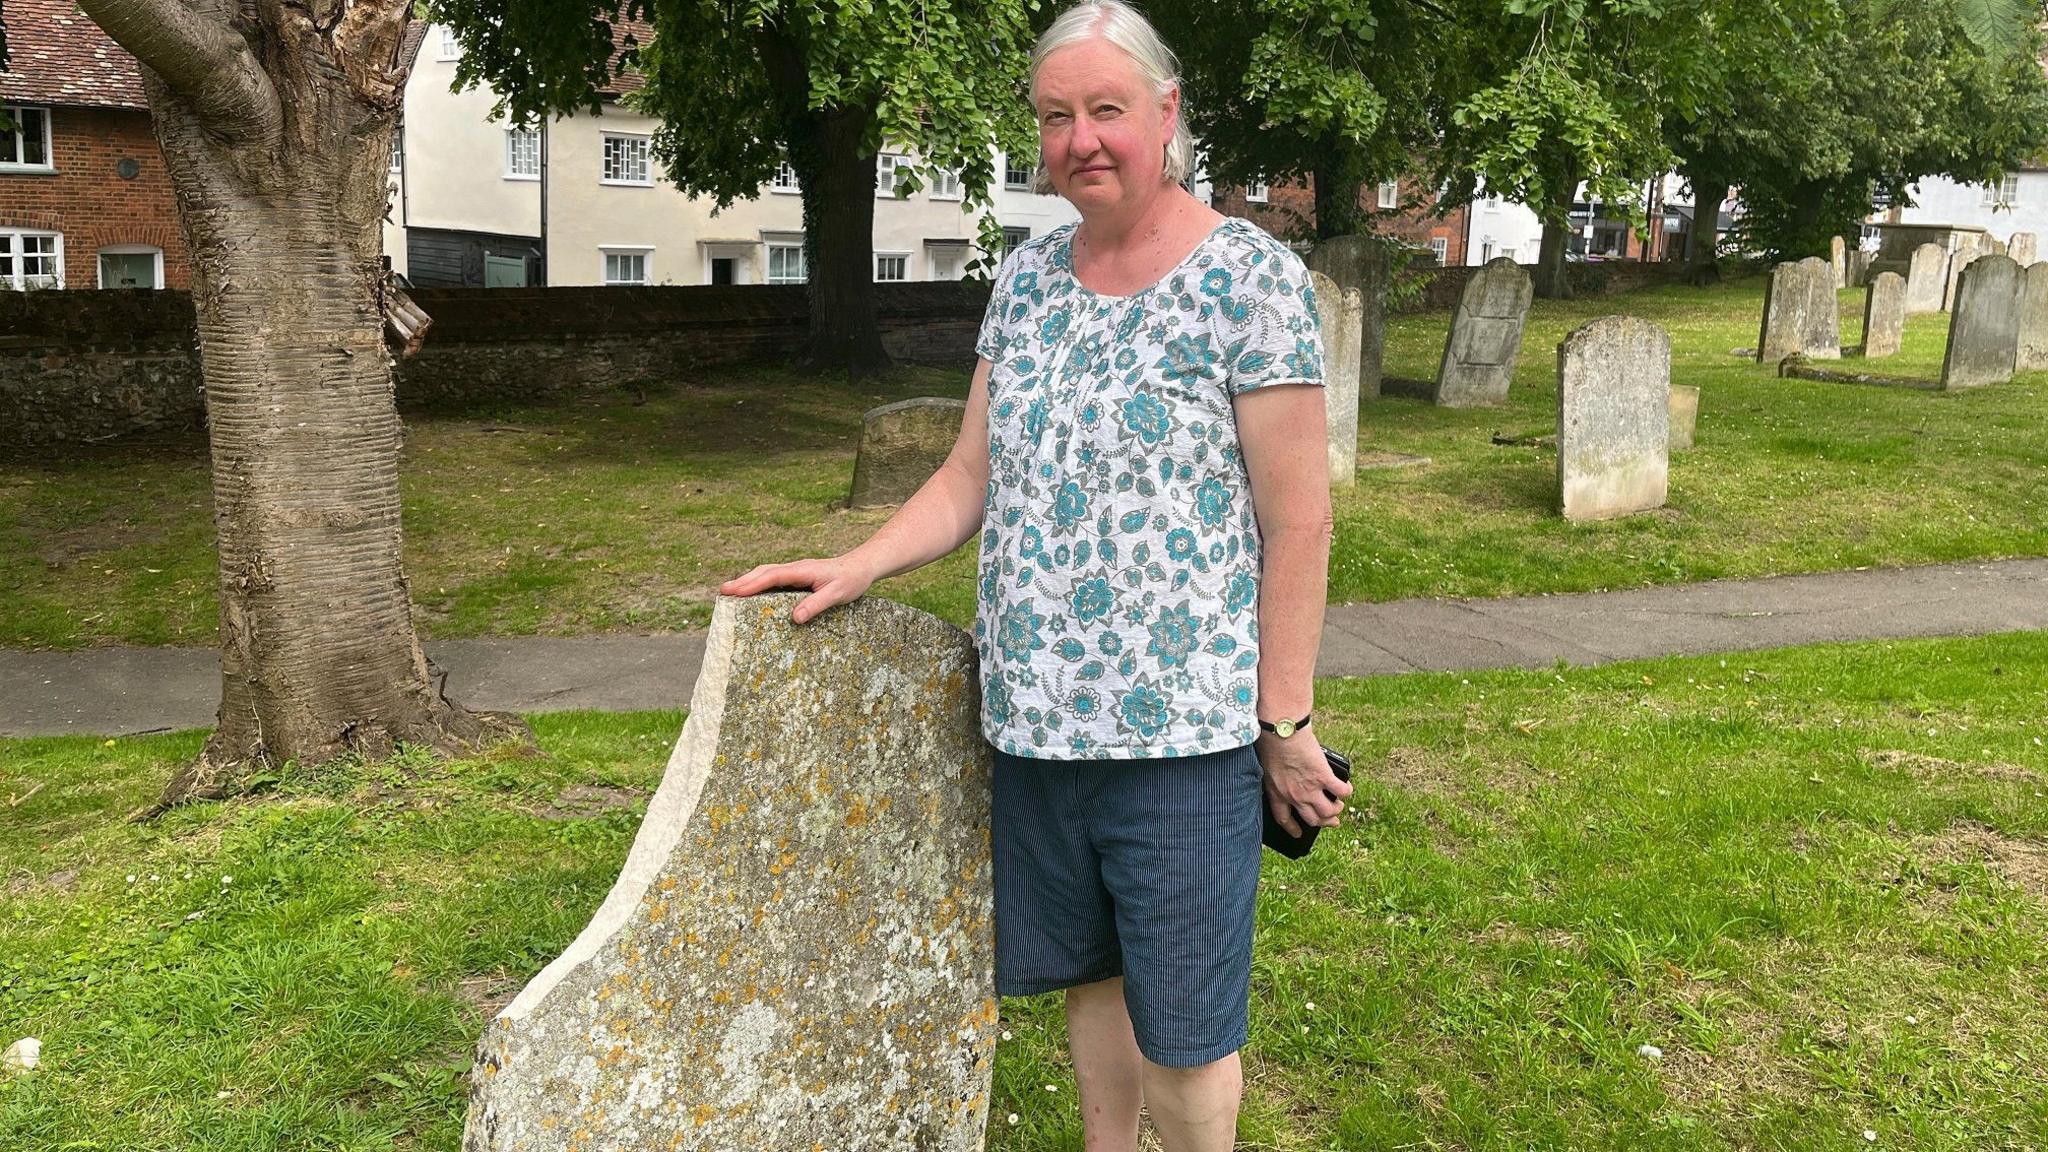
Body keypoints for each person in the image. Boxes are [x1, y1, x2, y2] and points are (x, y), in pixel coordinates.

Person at [720, 2, 1349, 1147]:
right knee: (1092, 988)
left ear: (1164, 114)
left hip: (1180, 738)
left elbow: (1296, 521)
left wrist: (1284, 717)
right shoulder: (1025, 280)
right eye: (1056, 117)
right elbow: (970, 472)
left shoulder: (1248, 279)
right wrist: (858, 563)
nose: (1081, 140)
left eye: (1106, 110)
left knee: (1188, 1034)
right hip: (1035, 726)